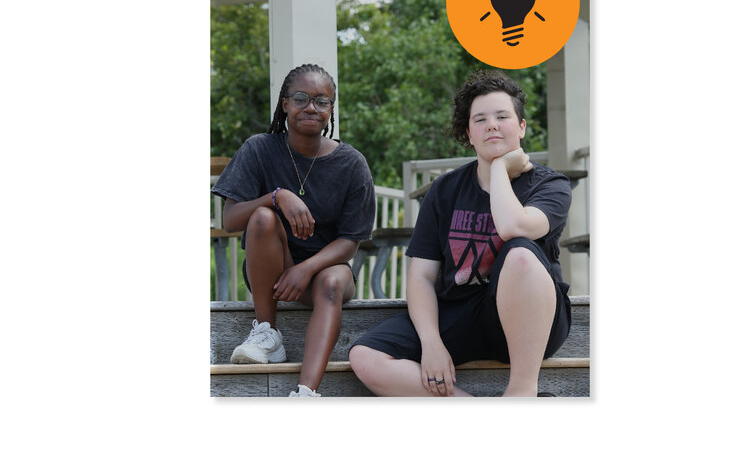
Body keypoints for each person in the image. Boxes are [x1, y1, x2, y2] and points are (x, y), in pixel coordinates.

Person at [349, 69, 572, 397]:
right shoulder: (445, 190)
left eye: (502, 116)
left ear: (522, 126)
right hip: (459, 313)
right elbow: (422, 276)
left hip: (533, 322)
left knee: (521, 253)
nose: (492, 125)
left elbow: (514, 227)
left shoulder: (550, 185)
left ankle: (522, 393)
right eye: (480, 119)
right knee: (365, 357)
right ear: (468, 133)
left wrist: (498, 168)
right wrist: (431, 343)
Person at [212, 63, 376, 397]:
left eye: (322, 101)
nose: (311, 107)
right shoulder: (259, 149)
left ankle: (306, 395)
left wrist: (307, 269)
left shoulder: (351, 163)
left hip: (328, 270)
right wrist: (276, 197)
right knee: (262, 217)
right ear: (285, 103)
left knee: (331, 282)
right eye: (300, 98)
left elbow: (350, 242)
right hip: (272, 273)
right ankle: (266, 332)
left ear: (331, 109)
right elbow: (230, 221)